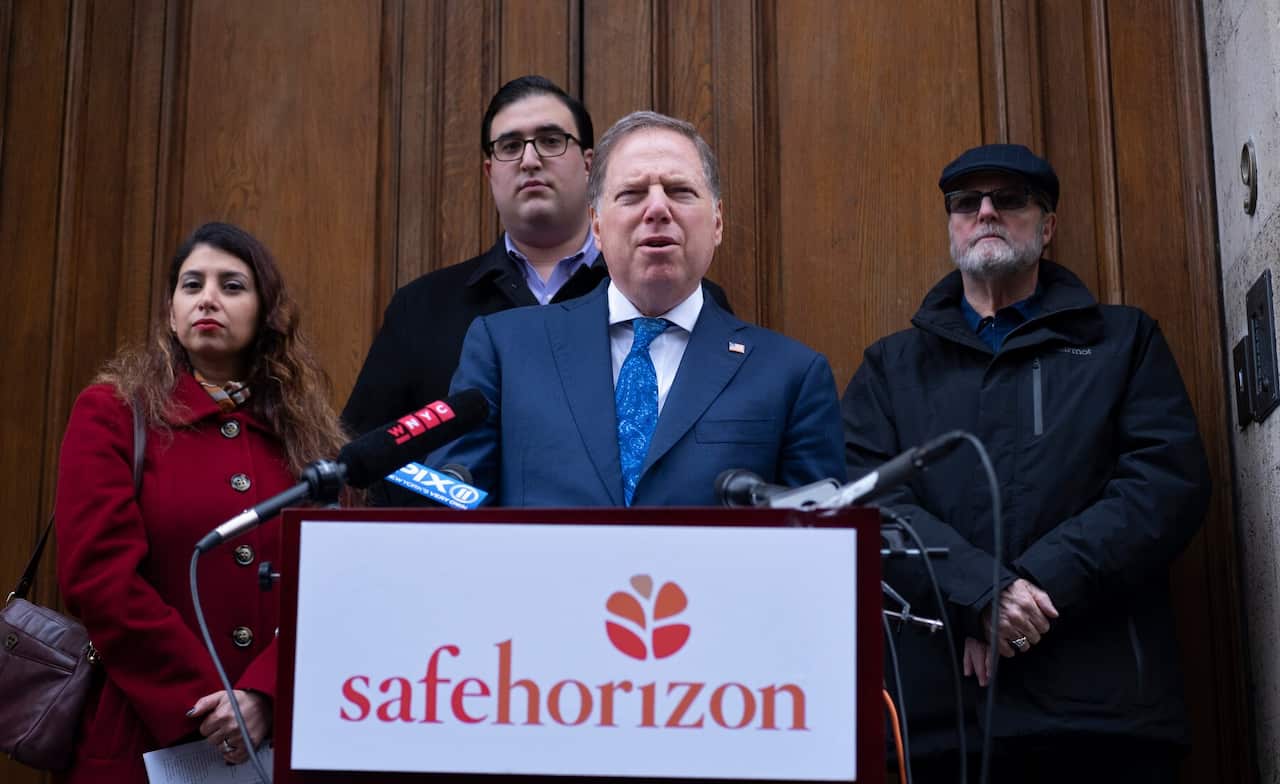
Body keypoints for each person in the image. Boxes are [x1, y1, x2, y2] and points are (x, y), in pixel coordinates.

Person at [841, 144, 1210, 783]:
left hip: (1100, 715)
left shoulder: (1125, 341)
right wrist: (978, 593)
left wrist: (1026, 592)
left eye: (1008, 200)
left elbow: (1163, 486)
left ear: (1047, 226)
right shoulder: (890, 367)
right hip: (939, 720)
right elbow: (862, 499)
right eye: (966, 203)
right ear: (952, 226)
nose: (985, 212)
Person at [341, 75, 728, 504]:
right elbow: (367, 451)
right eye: (509, 146)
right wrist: (452, 495)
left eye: (549, 140)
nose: (529, 160)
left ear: (589, 164)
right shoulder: (423, 306)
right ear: (490, 172)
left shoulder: (675, 296)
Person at [54, 222, 348, 782]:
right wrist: (205, 702)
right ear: (171, 312)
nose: (208, 298)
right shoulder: (112, 413)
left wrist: (265, 692)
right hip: (145, 734)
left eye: (232, 285)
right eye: (192, 285)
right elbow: (98, 578)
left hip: (283, 735)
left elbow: (334, 582)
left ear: (265, 314)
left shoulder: (309, 438)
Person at [430, 111, 844, 506]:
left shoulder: (791, 375)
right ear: (597, 225)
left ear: (717, 221)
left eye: (680, 191)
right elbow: (450, 508)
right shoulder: (506, 349)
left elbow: (818, 550)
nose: (658, 209)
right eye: (631, 194)